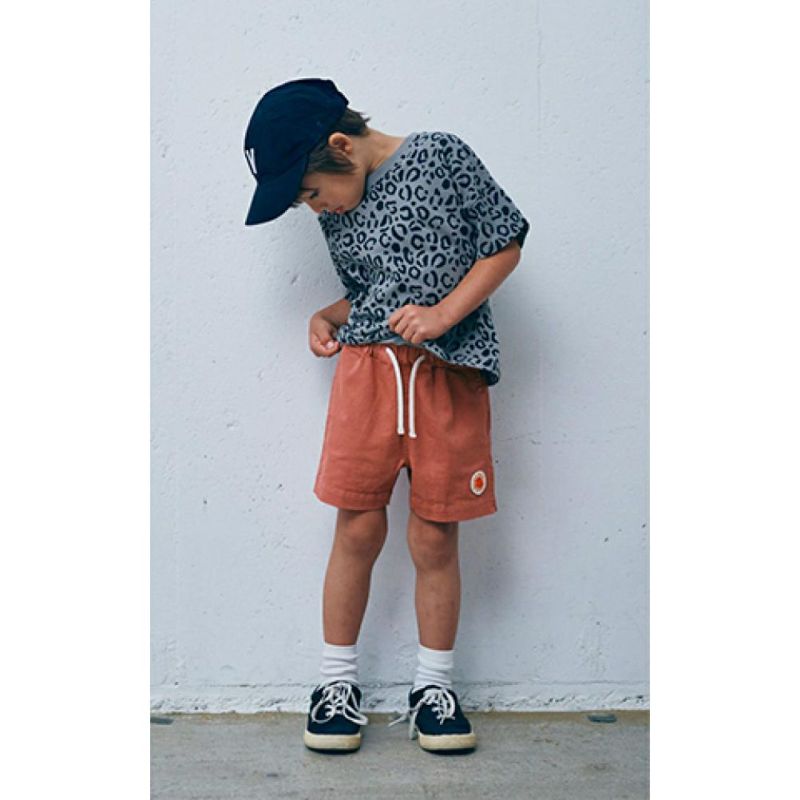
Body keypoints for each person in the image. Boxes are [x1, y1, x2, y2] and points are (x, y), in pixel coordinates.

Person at [243, 77, 530, 754]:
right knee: (357, 528)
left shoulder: (440, 155)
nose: (313, 208)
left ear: (340, 146)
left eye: (310, 191)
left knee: (434, 536)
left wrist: (444, 315)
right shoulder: (337, 215)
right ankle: (335, 684)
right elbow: (373, 290)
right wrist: (326, 314)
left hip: (446, 374)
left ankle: (434, 687)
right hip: (366, 376)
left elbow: (505, 241)